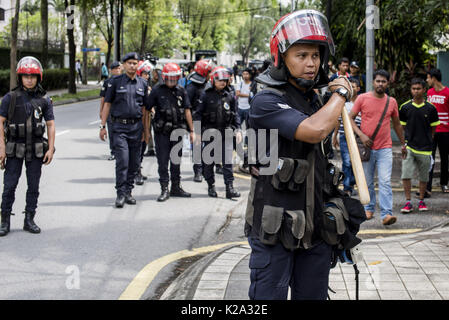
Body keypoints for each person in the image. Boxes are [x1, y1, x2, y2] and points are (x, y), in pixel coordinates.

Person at [245, 10, 364, 300]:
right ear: (282, 56)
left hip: (315, 227)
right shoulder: (266, 100)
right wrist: (340, 95)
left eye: (316, 55)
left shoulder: (316, 99)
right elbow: (313, 130)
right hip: (274, 231)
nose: (311, 63)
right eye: (301, 55)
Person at [0, 56, 55, 236]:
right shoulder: (10, 98)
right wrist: (1, 148)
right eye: (25, 76)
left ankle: (29, 219)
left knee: (33, 186)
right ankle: (5, 220)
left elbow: (51, 125)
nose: (29, 79)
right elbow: (0, 123)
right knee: (9, 185)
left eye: (32, 76)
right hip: (14, 148)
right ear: (20, 78)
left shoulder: (45, 100)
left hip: (36, 148)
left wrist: (51, 148)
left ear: (38, 77)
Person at [349, 69, 406, 225]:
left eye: (383, 81)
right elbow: (349, 119)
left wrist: (403, 144)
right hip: (366, 148)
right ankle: (369, 208)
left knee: (385, 181)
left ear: (388, 83)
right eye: (378, 81)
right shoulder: (362, 98)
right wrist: (361, 135)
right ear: (373, 82)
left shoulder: (392, 102)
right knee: (367, 181)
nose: (380, 84)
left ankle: (386, 214)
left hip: (385, 148)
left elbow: (397, 124)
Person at [100, 52, 149, 208]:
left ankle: (128, 191)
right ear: (124, 65)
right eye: (129, 63)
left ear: (138, 65)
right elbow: (107, 104)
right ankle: (120, 194)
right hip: (119, 127)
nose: (132, 66)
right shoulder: (115, 82)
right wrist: (102, 126)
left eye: (135, 63)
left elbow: (145, 109)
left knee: (134, 163)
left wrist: (145, 131)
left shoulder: (143, 83)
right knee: (123, 161)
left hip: (136, 127)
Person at [146, 63, 195, 202]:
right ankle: (164, 189)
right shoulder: (156, 90)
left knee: (176, 161)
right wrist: (146, 131)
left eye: (175, 78)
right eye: (169, 78)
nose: (172, 81)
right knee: (163, 162)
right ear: (165, 77)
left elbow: (187, 110)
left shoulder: (182, 91)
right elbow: (147, 108)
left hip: (178, 131)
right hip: (162, 133)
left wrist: (192, 131)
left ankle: (175, 187)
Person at [194, 66, 242, 199]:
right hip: (210, 133)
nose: (222, 82)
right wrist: (197, 133)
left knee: (227, 162)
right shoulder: (206, 94)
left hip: (226, 132)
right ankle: (211, 186)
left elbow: (236, 114)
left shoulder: (230, 95)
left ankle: (229, 188)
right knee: (208, 163)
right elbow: (198, 115)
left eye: (225, 80)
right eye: (219, 80)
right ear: (213, 80)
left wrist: (238, 130)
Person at [399, 78, 440, 213]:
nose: (415, 91)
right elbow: (402, 127)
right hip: (409, 146)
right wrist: (405, 142)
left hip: (426, 149)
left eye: (418, 89)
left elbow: (433, 129)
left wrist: (429, 140)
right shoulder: (405, 107)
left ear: (424, 90)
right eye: (413, 89)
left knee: (424, 177)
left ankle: (421, 200)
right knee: (406, 175)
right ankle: (408, 201)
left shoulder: (431, 108)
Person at [186, 59, 215, 182]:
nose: (211, 74)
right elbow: (187, 105)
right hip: (197, 120)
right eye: (209, 72)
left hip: (208, 121)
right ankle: (197, 171)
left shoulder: (208, 85)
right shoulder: (192, 87)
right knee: (197, 146)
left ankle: (205, 169)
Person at [332, 78, 361, 196]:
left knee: (356, 162)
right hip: (344, 136)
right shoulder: (344, 103)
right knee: (347, 162)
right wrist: (335, 136)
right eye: (351, 86)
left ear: (358, 89)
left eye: (354, 86)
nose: (352, 89)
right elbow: (338, 121)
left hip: (357, 137)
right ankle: (347, 187)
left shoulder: (361, 102)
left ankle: (352, 183)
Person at [426, 68, 449, 195]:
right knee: (430, 158)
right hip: (432, 131)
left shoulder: (447, 92)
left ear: (434, 78)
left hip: (445, 131)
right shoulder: (429, 92)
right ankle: (427, 187)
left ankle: (444, 183)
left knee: (445, 158)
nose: (427, 80)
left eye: (428, 78)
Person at [135, 60, 154, 185]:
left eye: (148, 74)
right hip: (135, 121)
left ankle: (137, 169)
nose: (147, 76)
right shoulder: (133, 86)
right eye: (144, 73)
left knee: (143, 146)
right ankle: (135, 171)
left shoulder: (148, 88)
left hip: (146, 121)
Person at [99, 61, 122, 161]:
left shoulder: (124, 80)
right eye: (115, 69)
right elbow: (103, 98)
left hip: (121, 111)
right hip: (110, 111)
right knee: (112, 132)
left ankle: (121, 152)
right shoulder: (107, 82)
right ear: (111, 70)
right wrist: (101, 111)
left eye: (119, 68)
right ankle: (113, 152)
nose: (117, 70)